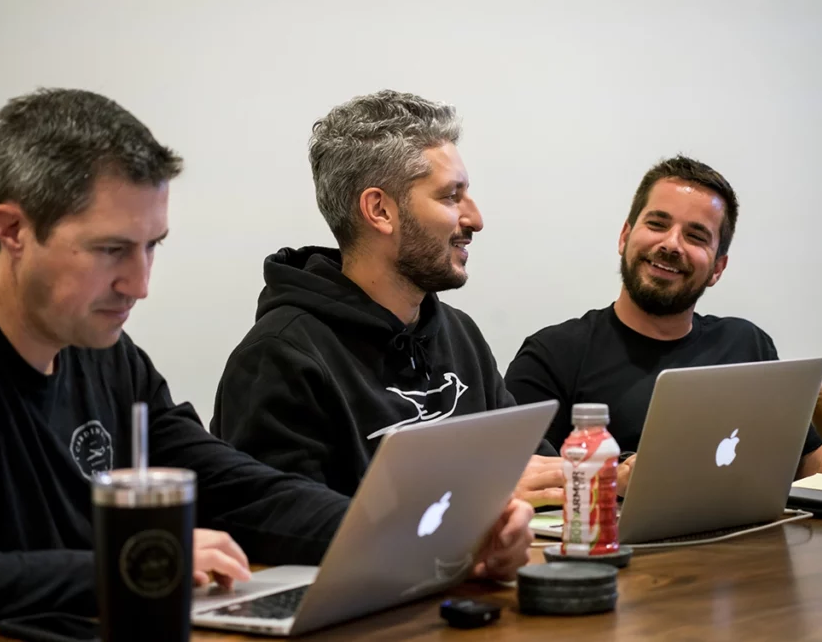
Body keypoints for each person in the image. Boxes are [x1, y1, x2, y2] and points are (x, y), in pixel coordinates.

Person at [0, 88, 534, 635]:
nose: (139, 285)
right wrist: (125, 567)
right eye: (111, 250)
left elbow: (240, 489)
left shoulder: (109, 358)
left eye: (151, 247)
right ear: (13, 230)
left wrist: (438, 538)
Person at [211, 90, 563, 507]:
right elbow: (290, 525)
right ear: (379, 211)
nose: (475, 219)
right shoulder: (279, 359)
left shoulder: (459, 334)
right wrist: (476, 496)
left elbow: (534, 474)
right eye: (451, 196)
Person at [505, 155, 822, 496]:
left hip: (753, 533)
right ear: (624, 237)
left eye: (696, 236)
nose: (671, 244)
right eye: (657, 224)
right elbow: (516, 484)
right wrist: (613, 480)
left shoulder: (748, 345)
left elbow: (811, 463)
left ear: (718, 268)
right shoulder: (552, 355)